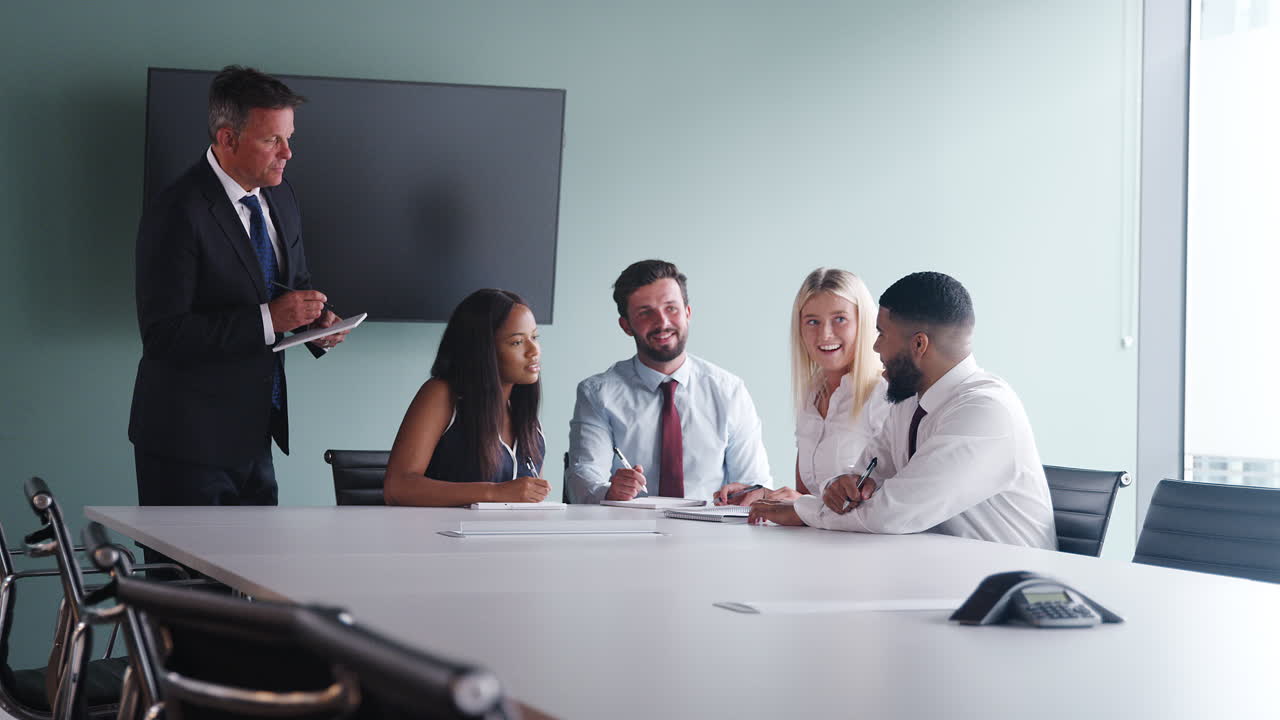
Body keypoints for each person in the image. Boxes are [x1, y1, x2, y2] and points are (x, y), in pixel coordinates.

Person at [130, 66, 347, 509]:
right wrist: (270, 319)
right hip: (185, 444)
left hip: (257, 436)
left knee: (254, 576)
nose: (288, 152)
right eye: (273, 140)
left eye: (289, 137)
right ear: (227, 139)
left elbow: (293, 284)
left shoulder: (282, 196)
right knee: (184, 581)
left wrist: (317, 326)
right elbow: (163, 335)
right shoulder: (176, 210)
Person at [749, 271, 1057, 549]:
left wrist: (804, 510)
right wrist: (839, 489)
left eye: (882, 334)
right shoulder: (910, 402)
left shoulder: (984, 411)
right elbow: (865, 477)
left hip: (1012, 592)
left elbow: (892, 512)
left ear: (919, 345)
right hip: (938, 575)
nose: (875, 348)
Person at [566, 259, 772, 505]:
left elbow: (755, 484)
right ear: (626, 326)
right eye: (645, 313)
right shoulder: (598, 394)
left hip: (710, 536)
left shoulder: (729, 391)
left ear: (687, 313)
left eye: (671, 308)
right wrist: (609, 492)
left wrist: (749, 494)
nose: (662, 322)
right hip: (628, 535)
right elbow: (583, 478)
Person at [384, 289, 549, 506]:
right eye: (517, 342)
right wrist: (494, 492)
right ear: (483, 348)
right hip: (438, 538)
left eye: (534, 337)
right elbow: (397, 488)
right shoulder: (442, 395)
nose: (533, 350)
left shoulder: (524, 415)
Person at [766, 268, 891, 504]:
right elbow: (804, 496)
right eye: (812, 321)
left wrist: (804, 505)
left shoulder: (883, 393)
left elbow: (887, 501)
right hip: (821, 540)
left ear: (862, 323)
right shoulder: (811, 395)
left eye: (840, 319)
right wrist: (765, 496)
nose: (825, 334)